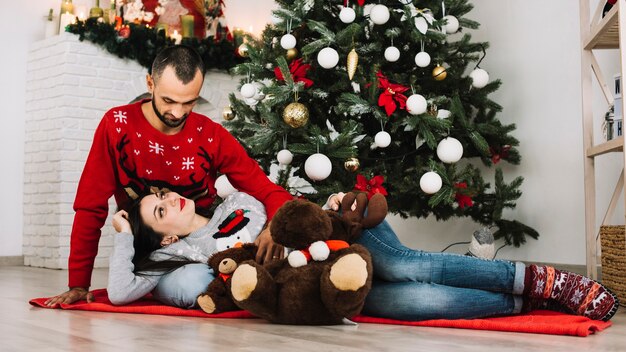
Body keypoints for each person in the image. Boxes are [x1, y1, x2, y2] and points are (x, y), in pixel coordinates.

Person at [45, 45, 292, 308]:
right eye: (168, 101)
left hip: (211, 245)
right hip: (160, 257)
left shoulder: (211, 135)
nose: (177, 113)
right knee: (191, 283)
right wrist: (79, 284)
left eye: (189, 103)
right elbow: (89, 206)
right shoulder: (116, 125)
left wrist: (275, 228)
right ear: (150, 83)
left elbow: (267, 191)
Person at [326, 193, 619, 322]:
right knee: (414, 301)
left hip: (336, 225)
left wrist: (328, 203)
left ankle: (542, 280)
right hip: (324, 278)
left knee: (399, 264)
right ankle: (526, 300)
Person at [107, 191, 266, 307]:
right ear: (167, 239)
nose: (171, 200)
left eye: (162, 195)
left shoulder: (236, 200)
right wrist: (125, 233)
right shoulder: (175, 251)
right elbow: (119, 292)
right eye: (161, 211)